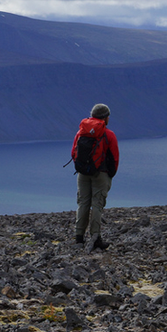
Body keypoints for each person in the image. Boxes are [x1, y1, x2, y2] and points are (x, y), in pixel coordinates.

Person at [71, 103, 119, 250]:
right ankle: (95, 237)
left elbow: (74, 152)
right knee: (97, 204)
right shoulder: (108, 134)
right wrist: (110, 174)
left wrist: (82, 168)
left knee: (83, 203)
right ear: (105, 118)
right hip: (101, 174)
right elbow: (115, 157)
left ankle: (79, 238)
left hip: (83, 173)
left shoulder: (81, 132)